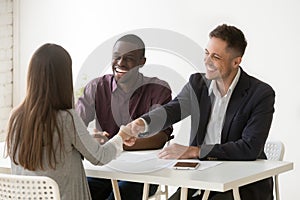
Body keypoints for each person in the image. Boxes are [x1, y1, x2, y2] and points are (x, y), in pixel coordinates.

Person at [128, 24, 275, 200]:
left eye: (216, 56)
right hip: (200, 179)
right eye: (206, 53)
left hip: (241, 186)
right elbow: (172, 110)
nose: (207, 61)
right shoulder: (197, 84)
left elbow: (249, 148)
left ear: (236, 61)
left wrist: (196, 151)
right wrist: (141, 123)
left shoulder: (260, 94)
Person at [6, 43, 134, 200]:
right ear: (63, 78)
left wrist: (85, 140)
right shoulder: (67, 118)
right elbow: (100, 157)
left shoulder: (15, 118)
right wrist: (121, 136)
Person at [75, 34, 173, 200]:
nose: (120, 63)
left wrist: (116, 144)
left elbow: (160, 138)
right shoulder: (96, 87)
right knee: (80, 193)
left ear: (142, 62)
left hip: (143, 174)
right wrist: (91, 137)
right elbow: (75, 126)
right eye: (116, 57)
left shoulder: (158, 89)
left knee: (120, 194)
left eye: (128, 58)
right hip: (104, 169)